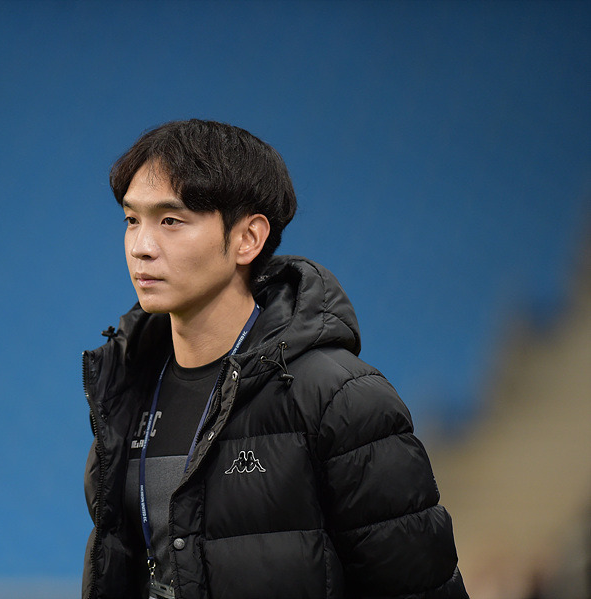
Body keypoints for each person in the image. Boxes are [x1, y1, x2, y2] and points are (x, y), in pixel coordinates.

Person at [82, 119, 468, 599]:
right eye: (131, 220)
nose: (141, 247)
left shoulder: (342, 399)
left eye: (171, 221)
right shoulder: (124, 392)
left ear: (248, 238)